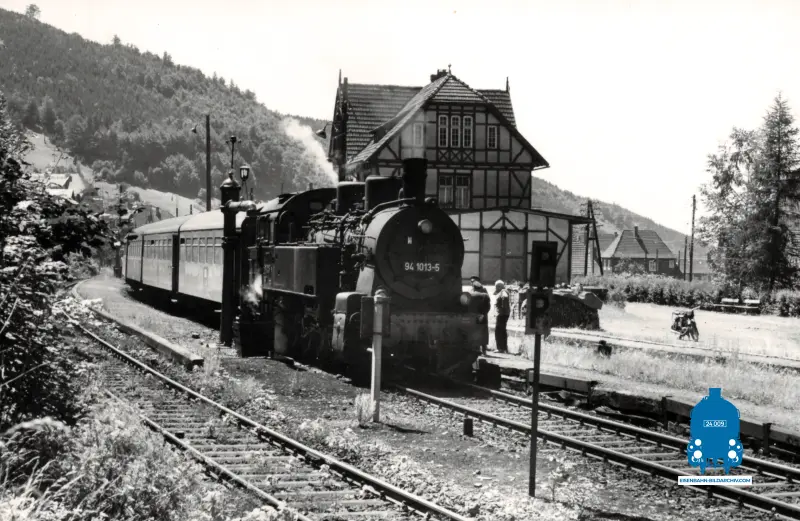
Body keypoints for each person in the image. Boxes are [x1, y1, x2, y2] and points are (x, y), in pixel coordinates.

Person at [470, 276, 491, 355]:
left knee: (479, 332)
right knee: (482, 332)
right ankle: (481, 349)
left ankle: (481, 349)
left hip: (479, 315)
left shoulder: (483, 290)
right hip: (481, 315)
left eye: (473, 281)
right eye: (471, 281)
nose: (472, 282)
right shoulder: (471, 291)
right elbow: (488, 305)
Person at [494, 280, 511, 354]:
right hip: (504, 314)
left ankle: (500, 348)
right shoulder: (503, 291)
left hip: (502, 314)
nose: (495, 288)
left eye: (496, 286)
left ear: (499, 286)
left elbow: (504, 297)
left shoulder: (503, 291)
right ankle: (504, 348)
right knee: (502, 331)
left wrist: (502, 308)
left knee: (498, 331)